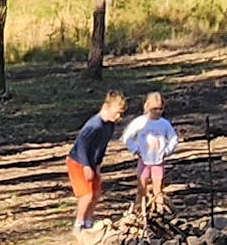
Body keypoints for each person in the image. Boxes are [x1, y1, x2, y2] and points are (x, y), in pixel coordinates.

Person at [65, 93, 126, 230]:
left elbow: (102, 147)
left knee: (96, 193)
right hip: (78, 161)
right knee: (87, 194)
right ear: (106, 107)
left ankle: (88, 221)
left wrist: (97, 164)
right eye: (116, 113)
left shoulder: (109, 126)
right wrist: (86, 166)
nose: (118, 117)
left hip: (92, 162)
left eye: (121, 114)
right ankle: (79, 223)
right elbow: (82, 146)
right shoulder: (94, 125)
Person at [122, 91, 177, 211]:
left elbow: (173, 138)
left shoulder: (164, 124)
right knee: (142, 187)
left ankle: (159, 210)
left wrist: (167, 151)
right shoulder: (140, 122)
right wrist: (135, 150)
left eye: (160, 109)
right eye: (154, 109)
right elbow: (127, 137)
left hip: (158, 160)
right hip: (144, 160)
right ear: (147, 107)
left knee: (158, 189)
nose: (157, 112)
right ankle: (138, 210)